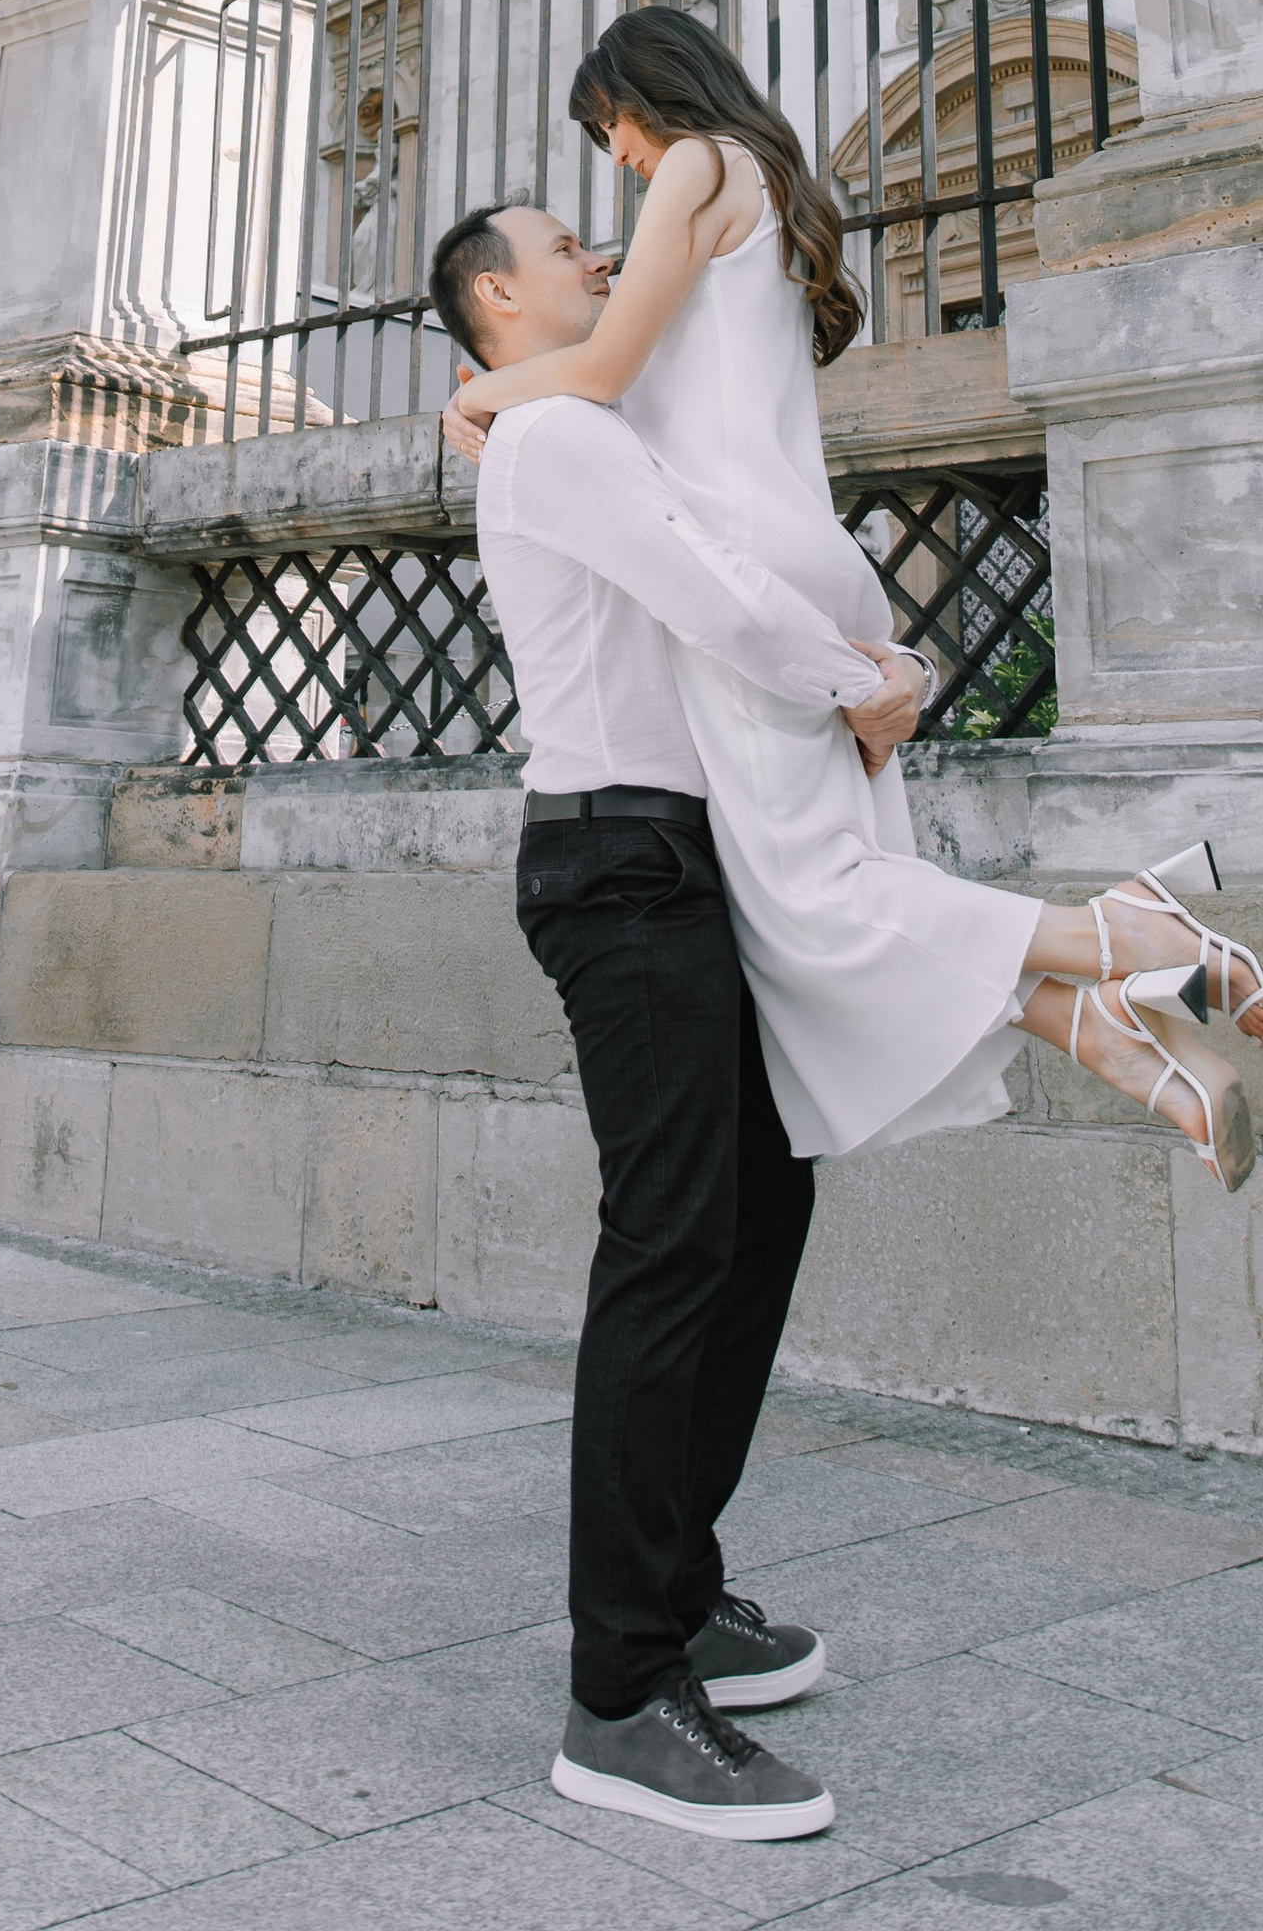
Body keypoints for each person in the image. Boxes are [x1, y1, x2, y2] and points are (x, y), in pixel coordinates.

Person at [447, 12, 1263, 1194]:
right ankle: (1105, 1027)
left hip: (739, 569)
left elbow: (601, 371)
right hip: (789, 554)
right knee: (811, 905)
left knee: (816, 900)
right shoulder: (764, 183)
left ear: (650, 94)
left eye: (611, 129)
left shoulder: (697, 163)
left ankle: (1134, 937)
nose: (621, 158)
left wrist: (479, 395)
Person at [429, 192, 906, 1844]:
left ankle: (680, 1585)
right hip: (619, 860)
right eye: (569, 244)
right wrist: (859, 677)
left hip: (687, 853)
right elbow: (706, 592)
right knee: (674, 1236)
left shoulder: (573, 419)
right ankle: (622, 1690)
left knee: (760, 1205)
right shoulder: (554, 437)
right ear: (499, 292)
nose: (600, 258)